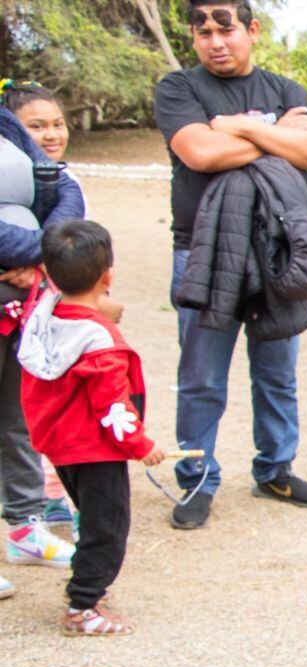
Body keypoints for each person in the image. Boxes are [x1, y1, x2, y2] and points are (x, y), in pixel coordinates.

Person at [153, 0, 307, 530]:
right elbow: (200, 155)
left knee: (277, 375)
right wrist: (276, 137)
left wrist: (229, 126)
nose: (215, 40)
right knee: (202, 377)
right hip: (203, 251)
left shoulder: (285, 89)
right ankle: (197, 480)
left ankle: (275, 468)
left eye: (225, 28)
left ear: (251, 29)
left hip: (276, 250)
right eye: (202, 31)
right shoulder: (177, 89)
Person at [18, 220, 166, 635]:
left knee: (92, 516)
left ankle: (88, 591)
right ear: (108, 277)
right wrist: (140, 445)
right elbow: (112, 406)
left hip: (60, 443)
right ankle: (83, 606)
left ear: (47, 273)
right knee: (108, 526)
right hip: (96, 448)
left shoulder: (43, 315)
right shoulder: (98, 340)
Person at [2, 78, 124, 532]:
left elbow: (69, 249)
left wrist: (34, 265)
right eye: (37, 126)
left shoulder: (66, 182)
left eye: (57, 123)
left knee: (48, 413)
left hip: (57, 322)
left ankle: (48, 501)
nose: (52, 134)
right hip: (18, 318)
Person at [0, 98, 84, 600]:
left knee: (17, 419)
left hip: (20, 305)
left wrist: (46, 253)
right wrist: (44, 252)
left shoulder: (6, 121)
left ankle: (25, 528)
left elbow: (63, 186)